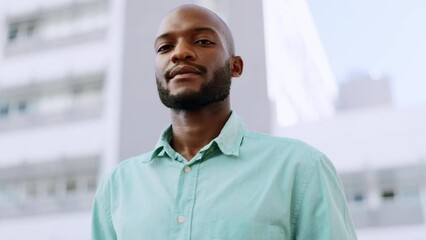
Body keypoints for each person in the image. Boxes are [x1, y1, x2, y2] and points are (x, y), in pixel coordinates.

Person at [92, 4, 357, 240]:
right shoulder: (117, 187)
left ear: (236, 66)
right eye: (165, 47)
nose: (180, 53)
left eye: (203, 41)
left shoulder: (301, 169)